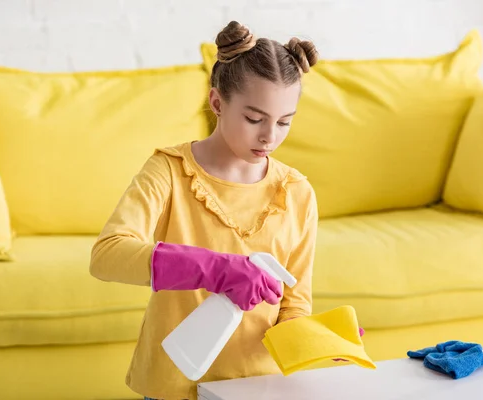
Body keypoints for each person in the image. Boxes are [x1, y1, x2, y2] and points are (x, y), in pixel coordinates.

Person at [89, 20, 320, 400]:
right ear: (217, 103)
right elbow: (107, 254)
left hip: (258, 386)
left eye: (284, 122)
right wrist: (214, 269)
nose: (269, 137)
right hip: (174, 383)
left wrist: (316, 342)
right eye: (253, 118)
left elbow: (294, 303)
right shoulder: (168, 170)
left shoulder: (296, 191)